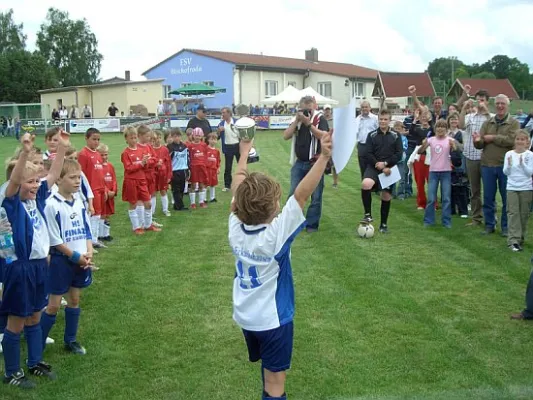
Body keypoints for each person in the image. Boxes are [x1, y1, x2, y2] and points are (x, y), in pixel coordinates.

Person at [229, 132, 332, 400]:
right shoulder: (275, 236)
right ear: (273, 207)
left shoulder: (235, 227)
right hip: (273, 320)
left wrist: (244, 152)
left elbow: (238, 182)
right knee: (274, 384)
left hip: (246, 316)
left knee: (268, 371)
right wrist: (324, 157)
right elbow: (301, 195)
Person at [1, 132, 69, 388]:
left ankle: (34, 362)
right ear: (19, 184)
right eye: (30, 182)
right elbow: (16, 180)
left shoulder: (37, 197)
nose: (35, 185)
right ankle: (11, 372)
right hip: (21, 268)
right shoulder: (12, 203)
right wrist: (25, 153)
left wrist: (61, 149)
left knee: (34, 317)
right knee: (17, 320)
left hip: (40, 266)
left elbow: (52, 175)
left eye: (36, 181)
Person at [41, 159, 95, 356]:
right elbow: (55, 240)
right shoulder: (51, 205)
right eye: (72, 177)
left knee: (74, 299)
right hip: (61, 260)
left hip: (81, 259)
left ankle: (70, 340)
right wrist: (76, 256)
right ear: (59, 179)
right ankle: (38, 342)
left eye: (79, 177)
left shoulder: (79, 201)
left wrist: (88, 251)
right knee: (54, 305)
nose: (77, 181)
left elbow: (87, 230)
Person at [474, 94, 519, 236]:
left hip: (506, 167)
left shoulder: (514, 123)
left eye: (502, 104)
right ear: (494, 105)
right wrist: (477, 141)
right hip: (487, 165)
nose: (500, 106)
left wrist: (492, 138)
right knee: (488, 198)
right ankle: (489, 225)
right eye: (498, 103)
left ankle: (505, 228)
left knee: (507, 198)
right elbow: (480, 144)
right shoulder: (487, 123)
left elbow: (512, 141)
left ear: (507, 105)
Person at [283, 96, 329, 233]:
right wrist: (297, 120)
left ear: (314, 106)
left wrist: (309, 124)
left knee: (316, 196)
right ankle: (291, 222)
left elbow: (324, 136)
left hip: (314, 163)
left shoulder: (320, 119)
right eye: (304, 110)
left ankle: (311, 225)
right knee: (293, 193)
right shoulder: (297, 120)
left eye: (309, 109)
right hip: (299, 162)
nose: (306, 112)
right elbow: (286, 136)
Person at [360, 109, 403, 233]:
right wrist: (377, 164)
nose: (383, 121)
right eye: (381, 119)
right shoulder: (372, 135)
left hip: (389, 169)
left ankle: (383, 225)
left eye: (385, 119)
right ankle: (367, 214)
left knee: (386, 195)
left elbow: (399, 154)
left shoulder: (396, 135)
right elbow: (367, 153)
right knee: (365, 184)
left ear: (389, 121)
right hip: (374, 166)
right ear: (378, 120)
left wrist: (385, 165)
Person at [459, 88, 492, 227]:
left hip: (486, 157)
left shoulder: (491, 117)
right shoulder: (470, 117)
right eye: (478, 100)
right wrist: (463, 109)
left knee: (489, 190)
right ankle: (476, 218)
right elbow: (460, 125)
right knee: (475, 190)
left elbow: (494, 125)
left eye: (482, 100)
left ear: (487, 102)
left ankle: (491, 218)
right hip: (471, 157)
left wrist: (487, 112)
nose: (480, 102)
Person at [418, 119, 457, 228]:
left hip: (446, 172)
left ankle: (446, 222)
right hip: (433, 172)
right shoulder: (431, 140)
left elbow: (456, 151)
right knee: (431, 198)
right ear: (435, 129)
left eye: (443, 127)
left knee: (446, 198)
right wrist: (423, 145)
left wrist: (453, 146)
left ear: (446, 129)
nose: (440, 129)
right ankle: (429, 221)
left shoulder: (450, 140)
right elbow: (420, 151)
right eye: (438, 127)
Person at [121, 127, 160, 234]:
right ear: (126, 139)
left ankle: (148, 225)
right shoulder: (125, 153)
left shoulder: (142, 149)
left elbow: (148, 162)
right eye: (131, 138)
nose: (134, 140)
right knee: (133, 203)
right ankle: (136, 227)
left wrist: (145, 163)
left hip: (142, 180)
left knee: (148, 203)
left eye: (134, 138)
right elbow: (128, 169)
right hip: (131, 181)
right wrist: (141, 164)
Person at [503, 130, 533, 251]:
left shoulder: (530, 155)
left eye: (522, 139)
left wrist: (522, 164)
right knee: (513, 213)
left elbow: (530, 173)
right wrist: (509, 165)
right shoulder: (509, 154)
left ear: (527, 142)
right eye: (518, 139)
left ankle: (520, 238)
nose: (520, 141)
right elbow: (506, 172)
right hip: (512, 187)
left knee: (523, 214)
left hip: (526, 188)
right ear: (514, 141)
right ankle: (513, 241)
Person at [77, 128, 107, 249]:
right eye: (94, 139)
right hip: (90, 190)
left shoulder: (97, 154)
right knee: (92, 214)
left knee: (98, 214)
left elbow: (100, 173)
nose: (96, 142)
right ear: (86, 138)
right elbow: (81, 174)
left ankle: (95, 238)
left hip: (99, 188)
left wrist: (104, 188)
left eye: (98, 139)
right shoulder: (83, 154)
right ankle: (90, 240)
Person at [137, 125, 162, 228]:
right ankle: (141, 223)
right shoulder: (137, 148)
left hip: (151, 175)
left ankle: (149, 221)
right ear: (140, 136)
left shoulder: (148, 147)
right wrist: (148, 162)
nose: (149, 139)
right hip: (143, 176)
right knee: (143, 199)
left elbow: (154, 159)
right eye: (147, 136)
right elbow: (143, 163)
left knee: (151, 196)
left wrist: (149, 162)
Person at [409, 108, 434, 209]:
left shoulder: (432, 130)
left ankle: (433, 203)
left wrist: (431, 119)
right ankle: (421, 203)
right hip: (419, 157)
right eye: (422, 116)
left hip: (430, 157)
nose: (424, 118)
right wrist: (415, 119)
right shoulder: (418, 129)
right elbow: (411, 131)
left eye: (426, 116)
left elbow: (434, 129)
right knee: (419, 182)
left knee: (431, 181)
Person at [447, 113, 468, 218]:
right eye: (452, 119)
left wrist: (454, 142)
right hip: (447, 162)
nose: (454, 121)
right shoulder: (446, 133)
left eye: (455, 119)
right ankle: (451, 209)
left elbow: (464, 147)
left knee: (461, 186)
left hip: (459, 161)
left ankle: (463, 210)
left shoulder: (462, 133)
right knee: (449, 186)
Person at [97, 144, 117, 241]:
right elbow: (98, 180)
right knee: (101, 214)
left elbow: (114, 180)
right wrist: (106, 191)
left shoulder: (110, 166)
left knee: (108, 215)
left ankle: (106, 234)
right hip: (102, 195)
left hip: (110, 195)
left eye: (106, 154)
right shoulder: (97, 167)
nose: (104, 157)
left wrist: (113, 190)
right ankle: (100, 235)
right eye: (102, 155)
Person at [218, 107, 239, 191]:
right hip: (228, 147)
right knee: (228, 167)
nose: (222, 114)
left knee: (241, 166)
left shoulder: (237, 122)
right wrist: (219, 131)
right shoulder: (221, 124)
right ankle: (227, 185)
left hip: (237, 146)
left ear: (229, 113)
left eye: (224, 112)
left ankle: (243, 183)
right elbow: (217, 137)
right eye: (222, 113)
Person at [168, 128, 190, 211]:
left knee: (182, 188)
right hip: (174, 170)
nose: (176, 138)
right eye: (174, 136)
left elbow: (187, 158)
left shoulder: (184, 146)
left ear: (181, 136)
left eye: (178, 136)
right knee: (176, 189)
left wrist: (188, 169)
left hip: (183, 170)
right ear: (172, 137)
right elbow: (168, 160)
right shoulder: (170, 147)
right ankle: (180, 206)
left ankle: (177, 205)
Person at [355, 101, 379, 177]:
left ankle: (373, 185)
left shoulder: (375, 118)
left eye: (366, 107)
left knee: (373, 167)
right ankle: (365, 186)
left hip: (372, 146)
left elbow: (379, 131)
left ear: (370, 108)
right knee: (363, 168)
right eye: (363, 107)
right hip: (361, 146)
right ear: (360, 109)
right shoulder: (357, 119)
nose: (364, 109)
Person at [187, 128, 209, 209]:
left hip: (202, 167)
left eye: (199, 135)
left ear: (202, 136)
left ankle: (201, 202)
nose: (197, 137)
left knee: (201, 184)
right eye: (196, 135)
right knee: (193, 185)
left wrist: (205, 165)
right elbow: (188, 157)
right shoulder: (190, 146)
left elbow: (206, 155)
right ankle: (192, 203)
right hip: (193, 168)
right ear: (193, 135)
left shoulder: (204, 145)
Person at [152, 130, 172, 217]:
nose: (158, 140)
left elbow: (168, 164)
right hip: (153, 175)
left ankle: (165, 209)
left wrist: (169, 175)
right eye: (156, 138)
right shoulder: (150, 149)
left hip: (163, 175)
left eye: (159, 138)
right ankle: (152, 212)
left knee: (163, 191)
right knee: (153, 192)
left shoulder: (165, 149)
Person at [391, 121, 408, 200]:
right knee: (392, 178)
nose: (397, 130)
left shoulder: (404, 138)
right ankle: (392, 193)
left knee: (402, 178)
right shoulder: (391, 138)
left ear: (402, 130)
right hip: (393, 161)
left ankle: (400, 194)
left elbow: (404, 148)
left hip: (401, 161)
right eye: (396, 129)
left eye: (399, 129)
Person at [323, 104, 339, 188]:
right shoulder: (321, 119)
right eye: (326, 110)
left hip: (333, 145)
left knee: (334, 165)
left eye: (328, 110)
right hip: (323, 144)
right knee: (322, 164)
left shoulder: (334, 120)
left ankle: (335, 183)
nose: (327, 111)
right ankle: (321, 182)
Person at [206, 132, 221, 203]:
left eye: (215, 139)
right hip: (207, 169)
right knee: (205, 184)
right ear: (208, 140)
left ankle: (212, 198)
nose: (213, 141)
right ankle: (204, 198)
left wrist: (218, 168)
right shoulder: (206, 149)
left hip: (213, 170)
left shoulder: (217, 151)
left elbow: (218, 160)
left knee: (213, 184)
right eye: (212, 139)